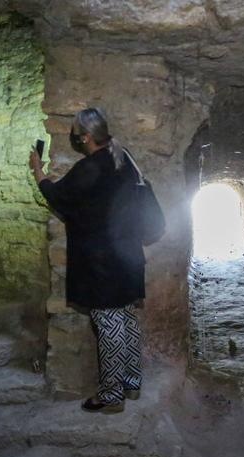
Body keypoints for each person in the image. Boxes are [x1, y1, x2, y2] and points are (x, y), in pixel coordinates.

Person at [29, 108, 146, 414]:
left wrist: (38, 173)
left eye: (77, 136)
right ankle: (131, 382)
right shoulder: (124, 157)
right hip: (129, 254)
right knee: (125, 317)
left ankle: (111, 394)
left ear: (85, 137)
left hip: (102, 261)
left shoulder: (91, 167)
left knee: (108, 323)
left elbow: (60, 196)